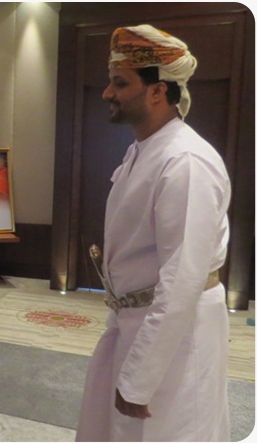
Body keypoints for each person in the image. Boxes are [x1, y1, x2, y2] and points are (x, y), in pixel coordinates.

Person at [76, 25, 231, 441]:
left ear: (158, 91)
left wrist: (140, 377)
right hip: (135, 322)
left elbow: (183, 279)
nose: (107, 93)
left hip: (176, 337)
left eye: (120, 83)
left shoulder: (185, 162)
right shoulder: (143, 150)